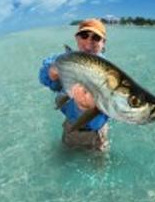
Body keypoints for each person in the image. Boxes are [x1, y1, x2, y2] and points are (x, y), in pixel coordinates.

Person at [39, 19, 110, 152]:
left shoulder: (108, 73)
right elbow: (44, 78)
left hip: (97, 134)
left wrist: (87, 110)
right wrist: (50, 73)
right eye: (84, 35)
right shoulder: (65, 58)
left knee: (100, 166)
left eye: (96, 37)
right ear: (76, 38)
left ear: (103, 42)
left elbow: (100, 119)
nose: (89, 42)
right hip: (70, 126)